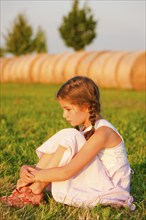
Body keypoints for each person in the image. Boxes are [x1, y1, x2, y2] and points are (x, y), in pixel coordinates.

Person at [0, 76, 135, 210]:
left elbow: (66, 172)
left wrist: (32, 177)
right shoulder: (86, 130)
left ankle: (34, 190)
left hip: (109, 189)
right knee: (68, 135)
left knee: (70, 135)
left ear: (87, 107)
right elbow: (59, 160)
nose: (64, 115)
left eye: (68, 109)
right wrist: (27, 168)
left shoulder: (103, 132)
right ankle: (32, 189)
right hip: (96, 182)